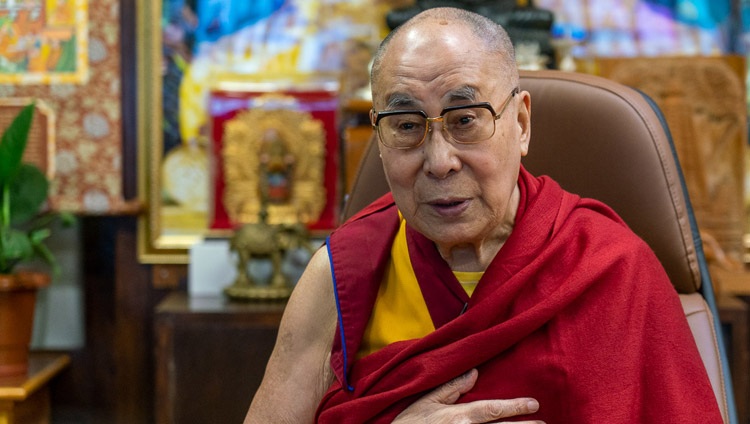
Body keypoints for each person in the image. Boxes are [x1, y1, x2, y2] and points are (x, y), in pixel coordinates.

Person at [245, 7, 723, 423]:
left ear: (520, 124)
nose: (438, 160)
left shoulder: (612, 268)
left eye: (465, 119)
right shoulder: (343, 274)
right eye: (406, 125)